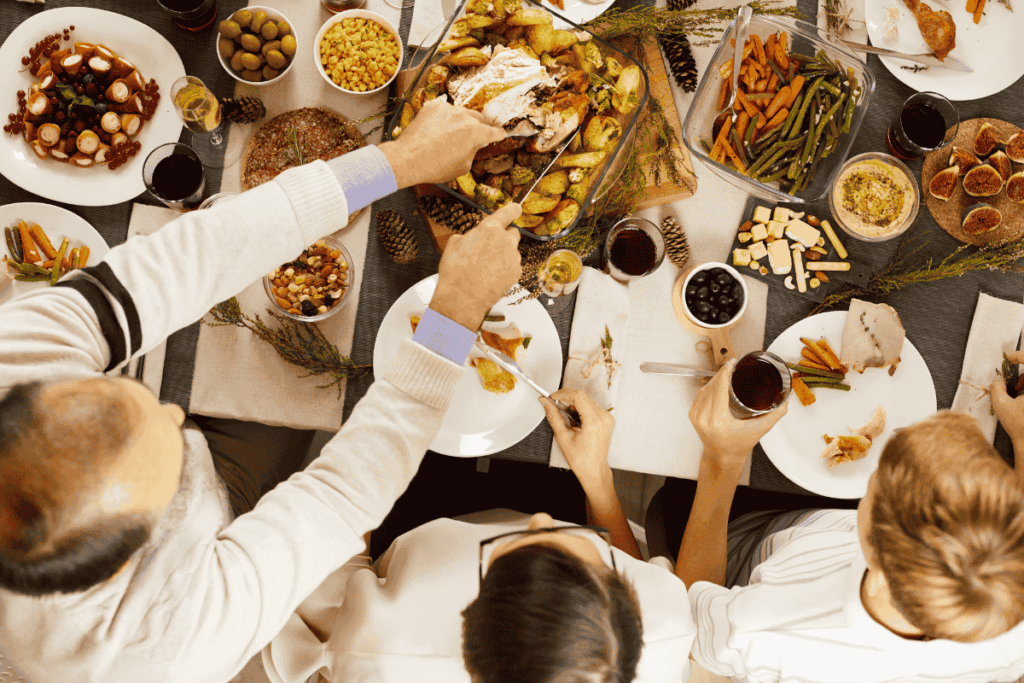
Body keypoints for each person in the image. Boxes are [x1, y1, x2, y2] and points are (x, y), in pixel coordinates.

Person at [0, 99, 522, 683]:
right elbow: (341, 495)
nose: (177, 415)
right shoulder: (169, 646)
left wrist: (396, 161)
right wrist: (453, 317)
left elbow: (184, 259)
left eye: (132, 401)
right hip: (223, 565)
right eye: (165, 453)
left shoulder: (11, 353)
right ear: (139, 543)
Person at [262, 389, 695, 683]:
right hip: (572, 496)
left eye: (510, 549)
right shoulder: (666, 627)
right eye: (603, 566)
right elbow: (627, 560)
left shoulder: (376, 650)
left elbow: (340, 555)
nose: (540, 519)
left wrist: (382, 432)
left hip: (416, 515)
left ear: (469, 618)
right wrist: (597, 476)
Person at [673, 358, 1024, 683]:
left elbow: (684, 630)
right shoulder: (1010, 608)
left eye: (875, 486)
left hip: (744, 557)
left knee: (669, 499)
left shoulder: (764, 630)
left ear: (869, 546)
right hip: (810, 528)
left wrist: (721, 460)